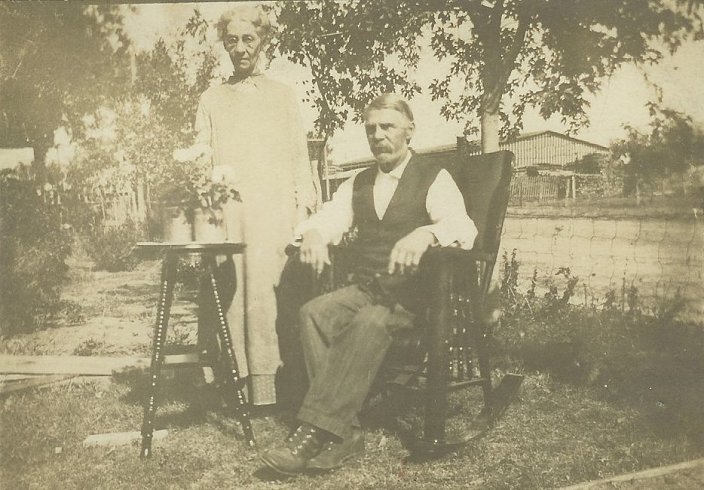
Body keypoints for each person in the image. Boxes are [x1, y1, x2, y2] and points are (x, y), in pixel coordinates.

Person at [260, 94, 477, 474]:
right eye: (371, 128)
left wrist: (426, 234)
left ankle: (311, 433)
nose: (378, 136)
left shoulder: (433, 177)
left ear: (410, 130)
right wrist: (312, 234)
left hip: (413, 302)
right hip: (367, 290)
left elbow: (464, 227)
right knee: (314, 313)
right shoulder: (358, 183)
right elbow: (328, 219)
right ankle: (347, 433)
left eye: (387, 126)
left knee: (369, 322)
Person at [194, 5, 321, 406]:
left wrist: (302, 214)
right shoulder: (211, 99)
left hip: (276, 217)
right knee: (234, 299)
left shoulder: (283, 97)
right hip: (231, 218)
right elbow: (200, 164)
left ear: (264, 40)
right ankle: (237, 388)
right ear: (224, 45)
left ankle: (279, 388)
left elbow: (301, 161)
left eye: (249, 39)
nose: (241, 48)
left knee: (273, 298)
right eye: (232, 40)